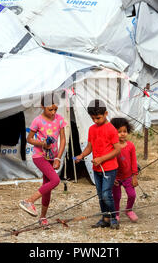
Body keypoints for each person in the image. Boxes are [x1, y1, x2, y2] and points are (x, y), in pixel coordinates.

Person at [19, 93, 66, 228]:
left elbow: (63, 139)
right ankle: (29, 201)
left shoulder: (60, 120)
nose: (53, 112)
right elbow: (29, 139)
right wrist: (42, 144)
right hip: (40, 156)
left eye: (55, 109)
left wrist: (58, 157)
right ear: (42, 106)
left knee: (48, 186)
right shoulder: (37, 120)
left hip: (53, 157)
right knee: (55, 180)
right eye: (50, 109)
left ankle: (43, 217)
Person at [75, 99, 121, 229]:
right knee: (101, 195)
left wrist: (102, 159)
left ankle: (114, 218)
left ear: (106, 113)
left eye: (98, 118)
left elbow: (117, 150)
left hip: (109, 168)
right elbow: (90, 147)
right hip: (97, 169)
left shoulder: (111, 129)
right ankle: (105, 218)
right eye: (92, 118)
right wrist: (82, 155)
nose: (95, 121)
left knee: (107, 194)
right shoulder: (92, 129)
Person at [110, 117, 139, 223]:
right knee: (116, 197)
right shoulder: (112, 147)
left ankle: (129, 210)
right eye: (119, 132)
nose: (122, 134)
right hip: (115, 177)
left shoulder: (130, 146)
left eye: (125, 131)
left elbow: (134, 162)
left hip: (128, 176)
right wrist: (111, 177)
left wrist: (134, 176)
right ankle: (116, 214)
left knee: (132, 195)